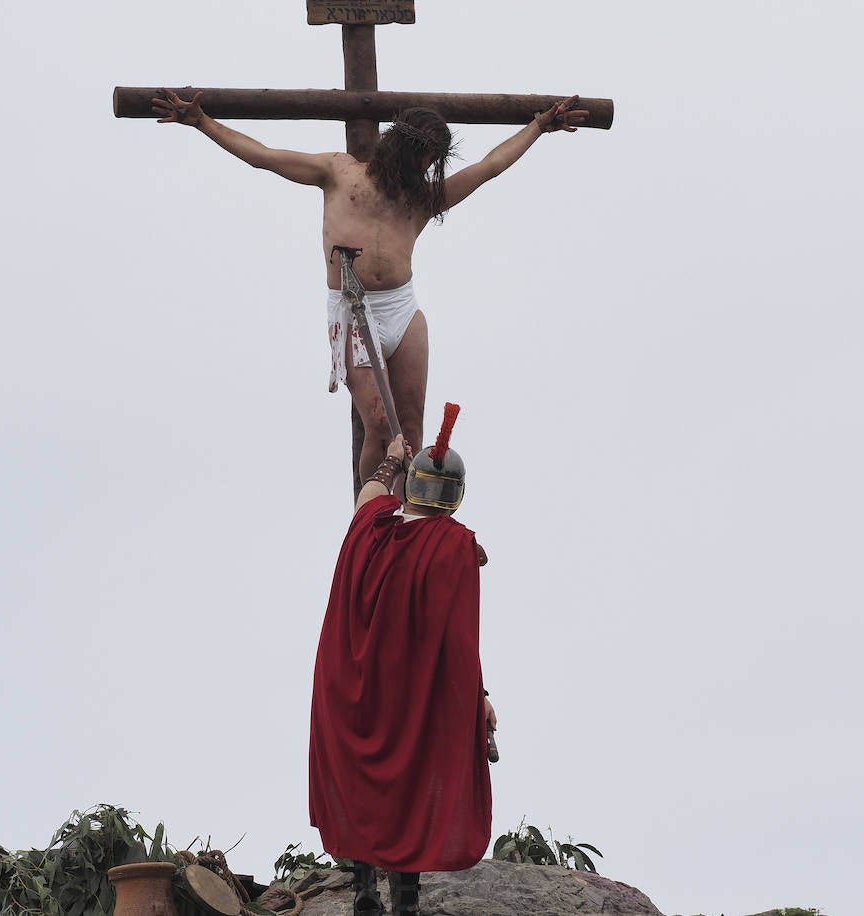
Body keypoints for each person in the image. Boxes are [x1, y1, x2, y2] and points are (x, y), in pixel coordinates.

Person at [151, 91, 587, 489]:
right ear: (402, 148)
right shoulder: (339, 172)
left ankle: (404, 515)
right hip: (353, 309)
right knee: (379, 425)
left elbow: (488, 167)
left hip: (402, 307)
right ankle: (370, 516)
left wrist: (536, 128)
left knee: (411, 428)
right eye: (423, 157)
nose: (425, 168)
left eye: (432, 161)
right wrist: (202, 122)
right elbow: (264, 156)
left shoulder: (423, 199)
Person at [307, 405, 495, 916]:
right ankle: (404, 905)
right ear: (455, 497)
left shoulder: (370, 523)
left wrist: (391, 459)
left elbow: (370, 491)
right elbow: (459, 640)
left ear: (409, 487)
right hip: (409, 693)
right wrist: (477, 698)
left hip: (348, 684)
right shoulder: (455, 546)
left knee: (361, 786)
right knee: (408, 786)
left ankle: (365, 895)